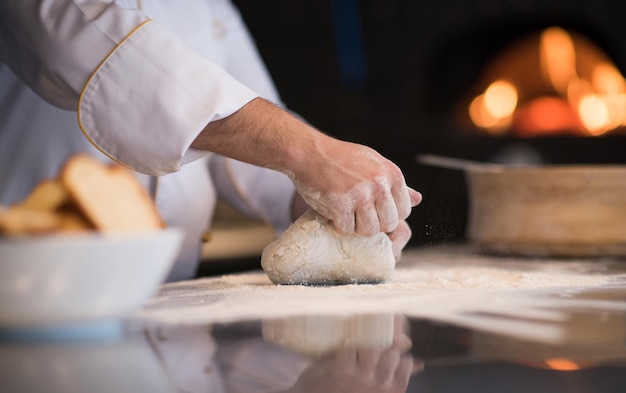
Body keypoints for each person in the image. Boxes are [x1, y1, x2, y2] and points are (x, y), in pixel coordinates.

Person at [0, 0, 422, 281]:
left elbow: (254, 127)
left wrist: (331, 206)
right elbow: (84, 46)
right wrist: (311, 153)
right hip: (32, 292)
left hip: (171, 300)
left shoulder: (208, 6)